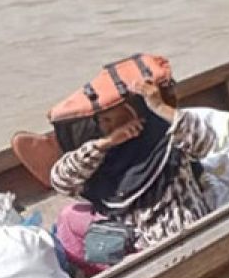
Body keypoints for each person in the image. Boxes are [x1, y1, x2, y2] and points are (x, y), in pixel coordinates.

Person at [51, 79, 218, 260]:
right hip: (127, 240)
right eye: (101, 121)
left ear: (131, 113)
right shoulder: (104, 154)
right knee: (69, 216)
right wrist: (106, 143)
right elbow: (61, 182)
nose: (105, 127)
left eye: (109, 119)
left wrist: (160, 107)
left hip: (175, 237)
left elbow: (206, 140)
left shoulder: (166, 140)